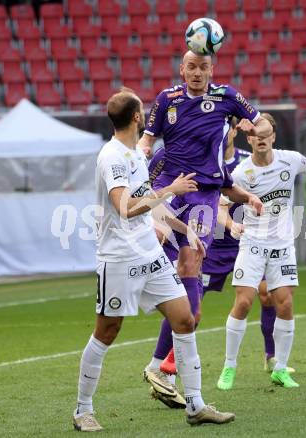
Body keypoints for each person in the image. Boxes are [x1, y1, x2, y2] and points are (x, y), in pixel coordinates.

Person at [72, 88, 235, 431]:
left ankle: (195, 404)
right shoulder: (112, 157)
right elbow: (125, 207)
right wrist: (171, 190)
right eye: (142, 110)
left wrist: (182, 230)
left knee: (185, 319)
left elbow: (149, 207)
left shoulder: (135, 155)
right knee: (107, 331)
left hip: (150, 253)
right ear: (135, 117)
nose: (146, 114)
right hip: (118, 259)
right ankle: (82, 410)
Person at [138, 50, 271, 395]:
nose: (197, 73)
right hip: (170, 190)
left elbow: (263, 127)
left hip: (204, 196)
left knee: (192, 297)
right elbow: (146, 142)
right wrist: (137, 154)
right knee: (158, 236)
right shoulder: (167, 101)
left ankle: (160, 368)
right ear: (182, 69)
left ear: (212, 70)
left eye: (204, 67)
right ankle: (154, 288)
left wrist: (255, 126)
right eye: (191, 67)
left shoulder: (226, 98)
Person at [216, 113, 306, 390]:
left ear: (273, 137)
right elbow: (220, 206)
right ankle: (229, 366)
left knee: (285, 304)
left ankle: (280, 368)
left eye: (265, 135)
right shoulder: (242, 173)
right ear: (249, 138)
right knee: (244, 302)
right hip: (253, 243)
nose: (260, 139)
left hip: (282, 245)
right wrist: (232, 224)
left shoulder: (289, 159)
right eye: (255, 135)